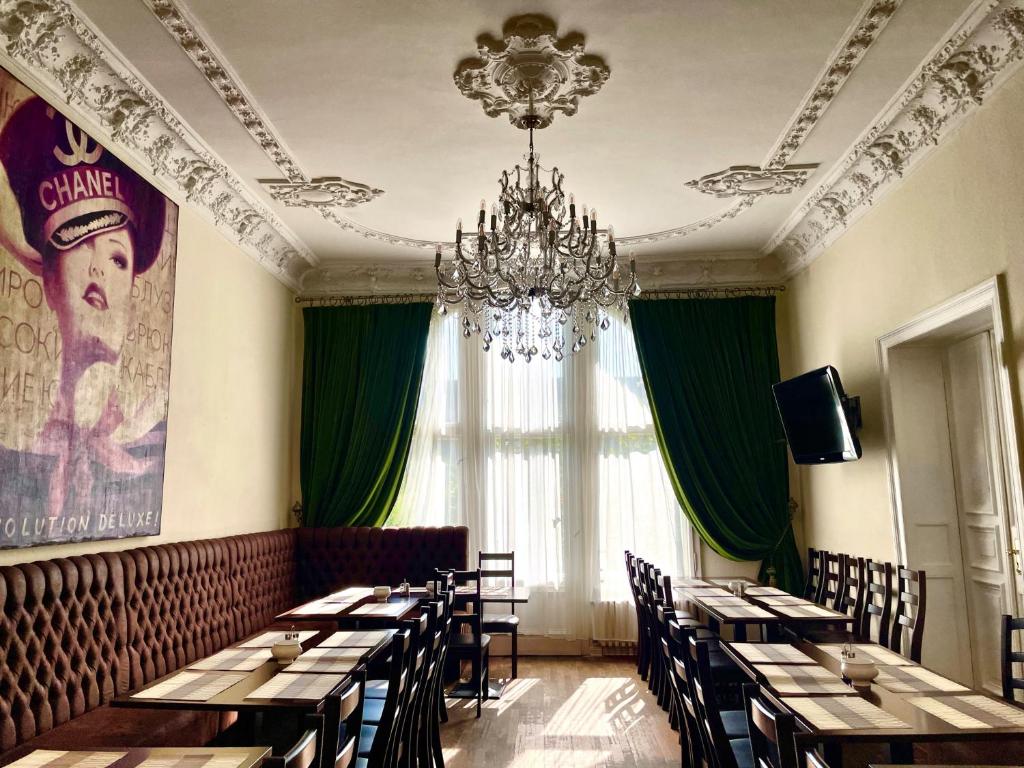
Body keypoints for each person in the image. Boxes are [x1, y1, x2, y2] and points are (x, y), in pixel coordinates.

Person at [0, 96, 168, 522]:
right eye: (78, 247)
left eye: (118, 260)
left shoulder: (152, 442)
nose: (99, 269)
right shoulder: (12, 446)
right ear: (50, 283)